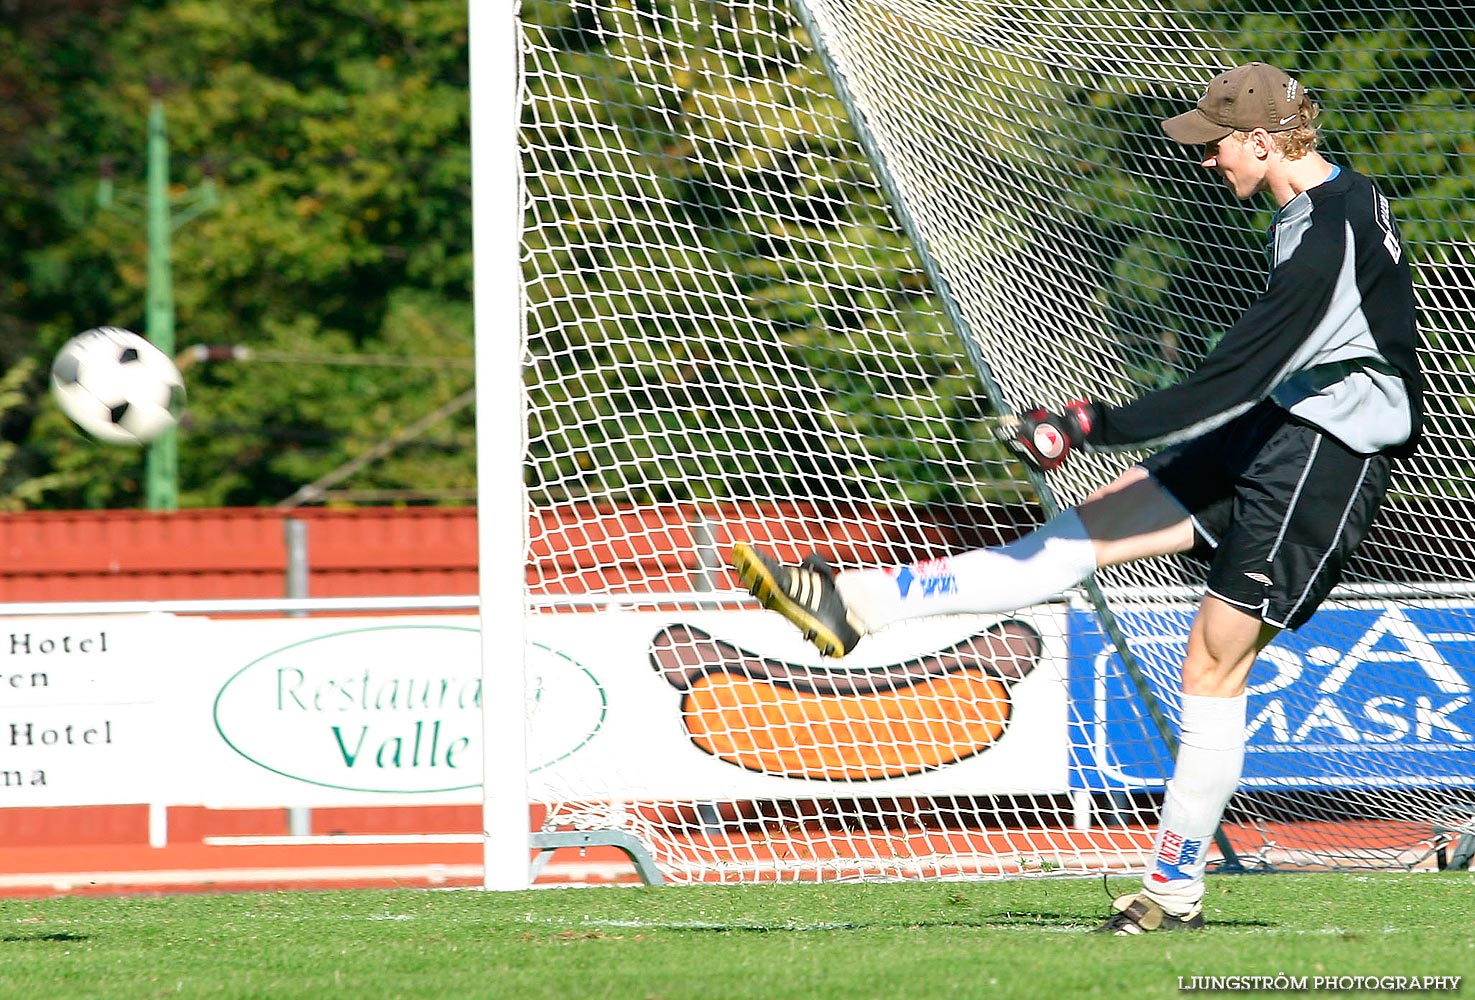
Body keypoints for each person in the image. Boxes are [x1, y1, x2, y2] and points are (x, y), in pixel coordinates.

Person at [731, 62, 1421, 935]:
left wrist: (1087, 424)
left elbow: (1232, 377)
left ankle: (1172, 894)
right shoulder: (1330, 200)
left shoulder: (1323, 237)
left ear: (1260, 139)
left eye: (1215, 146)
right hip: (1285, 425)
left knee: (1212, 667)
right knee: (1078, 538)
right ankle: (859, 604)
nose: (1207, 161)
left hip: (1325, 455)